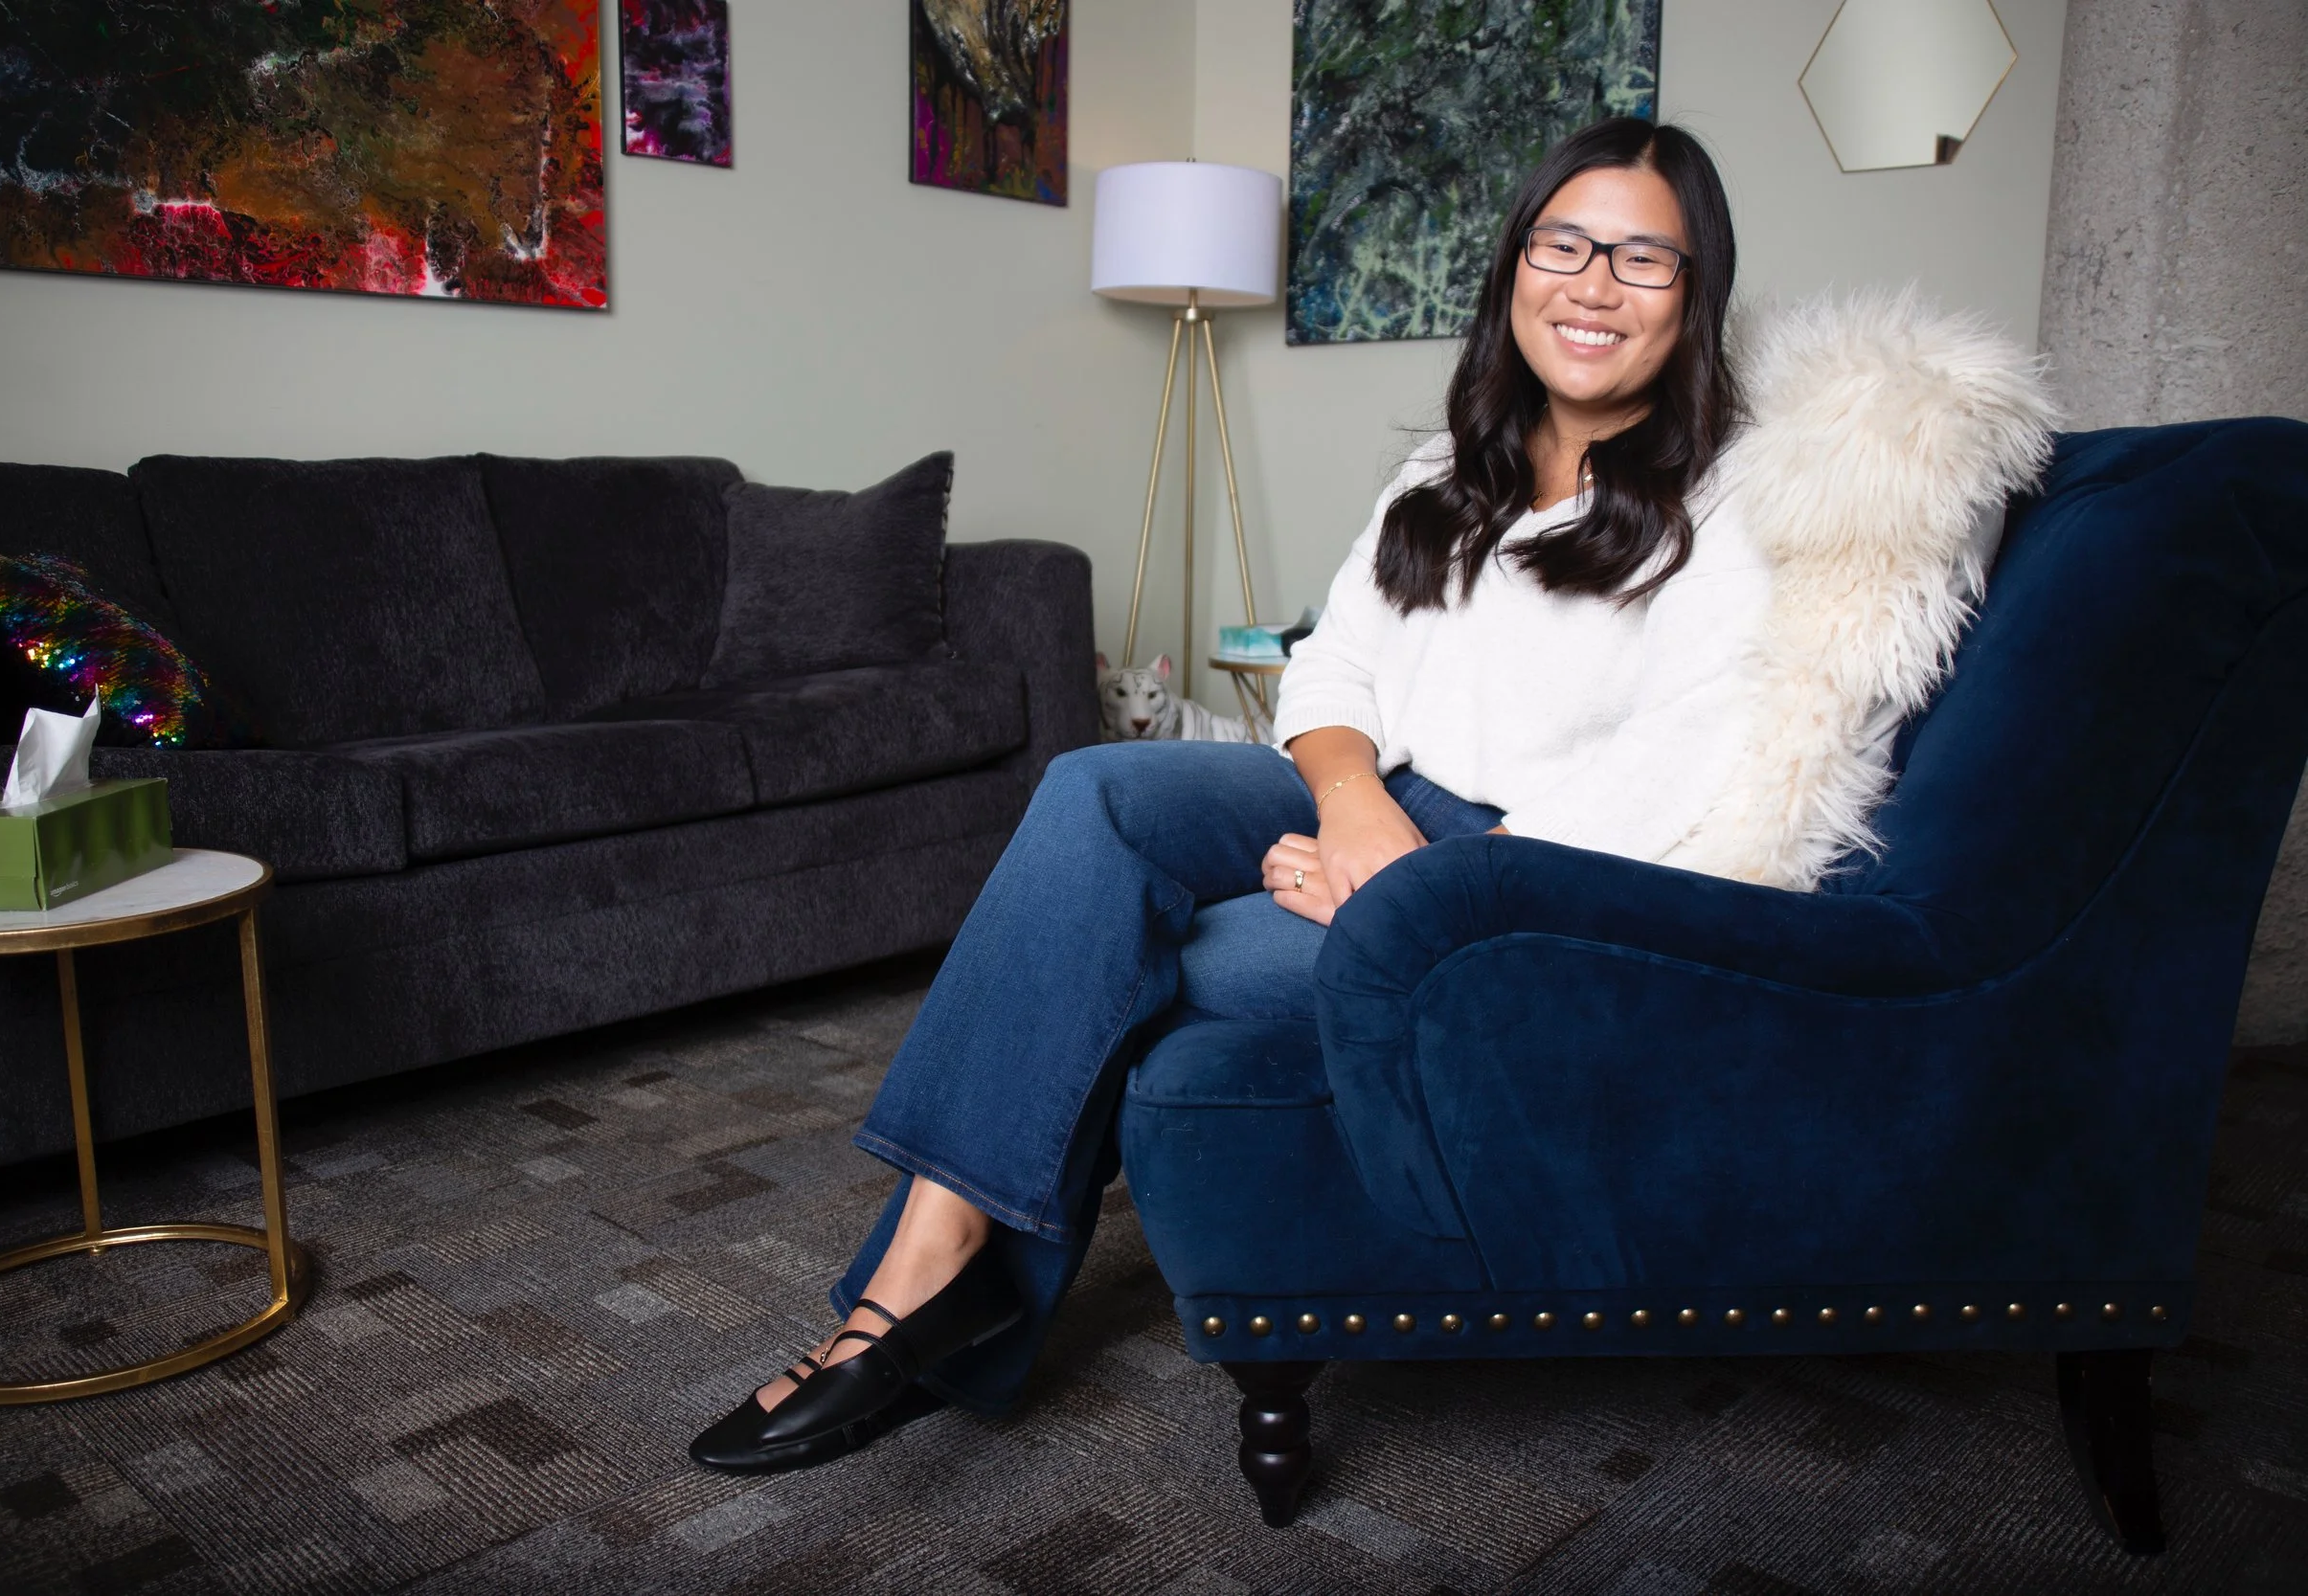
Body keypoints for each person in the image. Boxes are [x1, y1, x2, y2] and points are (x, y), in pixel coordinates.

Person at [690, 114, 1763, 1473]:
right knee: (1093, 793)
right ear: (1514, 266)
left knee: (1137, 951)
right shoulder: (1445, 475)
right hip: (1365, 794)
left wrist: (1417, 890)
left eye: (1643, 258)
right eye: (1564, 241)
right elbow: (1335, 671)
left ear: (1696, 292)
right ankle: (938, 1255)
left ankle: (905, 1301)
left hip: (1510, 878)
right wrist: (1356, 807)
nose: (1593, 283)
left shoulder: (1727, 509)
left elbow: (1682, 771)